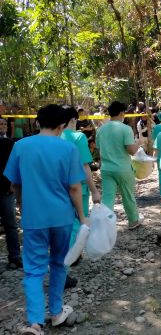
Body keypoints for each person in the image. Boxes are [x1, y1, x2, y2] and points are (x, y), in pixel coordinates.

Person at [4, 104, 88, 334]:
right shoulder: (68, 149)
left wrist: (22, 205)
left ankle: (35, 323)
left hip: (33, 218)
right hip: (62, 217)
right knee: (59, 264)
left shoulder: (20, 146)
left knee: (33, 270)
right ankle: (57, 312)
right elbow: (74, 188)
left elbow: (15, 184)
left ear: (37, 122)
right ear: (62, 126)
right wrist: (82, 217)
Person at [96, 101, 142, 229]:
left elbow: (99, 149)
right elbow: (131, 150)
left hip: (106, 168)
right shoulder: (125, 129)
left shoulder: (101, 129)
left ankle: (104, 225)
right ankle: (133, 221)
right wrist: (138, 142)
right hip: (123, 168)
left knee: (107, 197)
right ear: (122, 113)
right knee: (127, 195)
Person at [61, 106, 101, 245]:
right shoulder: (78, 136)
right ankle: (71, 254)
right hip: (79, 187)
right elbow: (85, 166)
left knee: (64, 221)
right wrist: (94, 191)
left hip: (58, 186)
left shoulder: (54, 137)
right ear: (73, 120)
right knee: (79, 219)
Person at [0, 117, 22, 269]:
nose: (3, 126)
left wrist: (12, 185)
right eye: (0, 124)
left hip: (6, 189)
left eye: (4, 123)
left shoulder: (10, 143)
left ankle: (14, 256)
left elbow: (15, 165)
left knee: (11, 225)